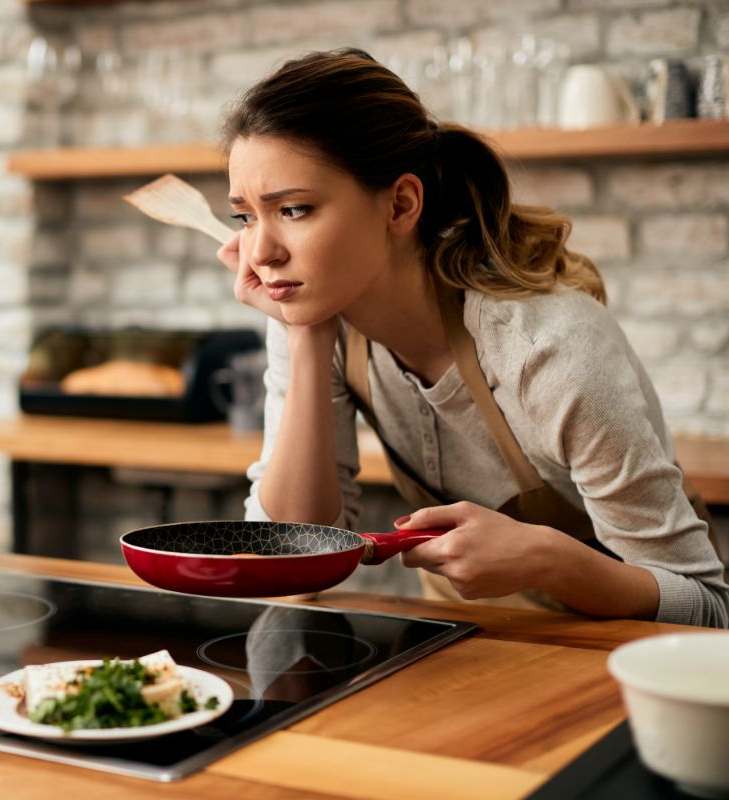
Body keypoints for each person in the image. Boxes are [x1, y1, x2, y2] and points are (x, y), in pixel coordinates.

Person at [217, 48, 728, 627]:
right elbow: (286, 560)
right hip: (471, 639)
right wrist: (304, 339)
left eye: (295, 209)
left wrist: (545, 559)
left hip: (614, 651)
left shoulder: (549, 349)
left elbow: (707, 608)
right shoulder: (312, 314)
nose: (261, 252)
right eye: (246, 217)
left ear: (401, 204)